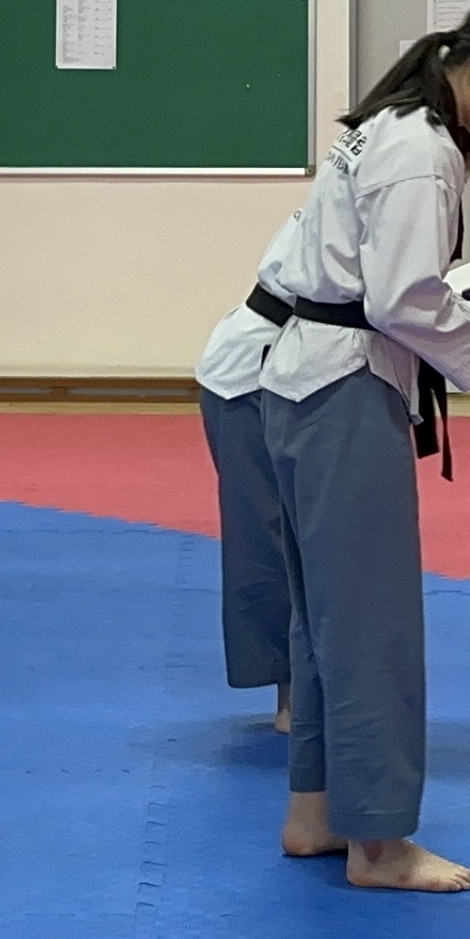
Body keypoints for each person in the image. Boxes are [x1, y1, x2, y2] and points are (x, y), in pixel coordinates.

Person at [252, 1, 470, 894]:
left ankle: (316, 812)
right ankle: (380, 844)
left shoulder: (385, 127)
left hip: (302, 383)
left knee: (326, 617)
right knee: (372, 626)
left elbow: (386, 285)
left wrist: (466, 320)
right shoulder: (421, 150)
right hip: (344, 394)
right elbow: (401, 298)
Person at [192, 208, 299, 728]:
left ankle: (311, 689)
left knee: (306, 536)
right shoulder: (376, 185)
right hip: (254, 376)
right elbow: (393, 303)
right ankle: (291, 697)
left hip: (291, 370)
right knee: (272, 539)